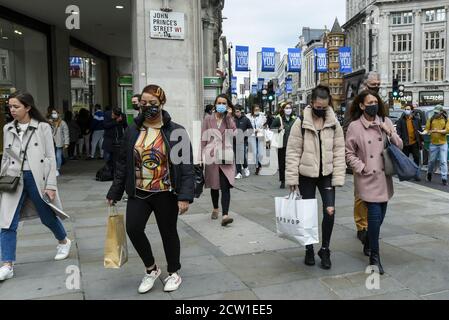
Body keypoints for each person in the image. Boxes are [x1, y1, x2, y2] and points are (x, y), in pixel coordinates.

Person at [106, 84, 194, 294]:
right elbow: (122, 164)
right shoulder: (132, 130)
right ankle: (151, 269)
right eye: (143, 103)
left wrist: (185, 196)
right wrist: (115, 192)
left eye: (153, 103)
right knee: (133, 229)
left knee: (168, 232)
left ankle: (173, 272)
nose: (148, 107)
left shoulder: (176, 131)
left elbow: (186, 167)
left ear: (162, 104)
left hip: (166, 192)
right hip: (139, 191)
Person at [0, 91, 71, 282]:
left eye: (16, 106)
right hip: (13, 179)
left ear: (28, 107)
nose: (12, 110)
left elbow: (49, 157)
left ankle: (63, 240)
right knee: (7, 221)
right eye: (10, 106)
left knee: (47, 216)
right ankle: (7, 264)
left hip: (36, 177)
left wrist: (50, 184)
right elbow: (6, 157)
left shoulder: (43, 127)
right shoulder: (8, 128)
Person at [286, 85, 346, 270]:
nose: (321, 110)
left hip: (326, 175)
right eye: (318, 107)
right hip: (306, 176)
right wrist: (292, 179)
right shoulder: (301, 122)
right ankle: (309, 248)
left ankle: (325, 249)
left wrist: (338, 177)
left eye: (324, 107)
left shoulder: (334, 123)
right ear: (312, 103)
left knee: (330, 211)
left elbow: (339, 151)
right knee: (308, 214)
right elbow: (293, 151)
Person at [345, 90, 403, 275]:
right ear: (362, 105)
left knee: (380, 217)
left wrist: (389, 131)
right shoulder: (354, 126)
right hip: (367, 177)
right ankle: (374, 258)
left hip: (384, 177)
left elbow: (400, 145)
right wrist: (362, 167)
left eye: (375, 102)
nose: (373, 105)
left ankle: (369, 241)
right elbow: (349, 153)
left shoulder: (384, 121)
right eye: (369, 102)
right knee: (375, 216)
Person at [201, 94, 236, 226]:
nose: (221, 105)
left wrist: (228, 117)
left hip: (226, 155)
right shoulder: (208, 119)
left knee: (225, 185)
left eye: (224, 103)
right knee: (214, 185)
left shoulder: (229, 118)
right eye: (219, 102)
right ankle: (216, 207)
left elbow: (234, 134)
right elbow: (203, 138)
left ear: (227, 106)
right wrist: (200, 156)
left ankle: (225, 215)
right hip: (211, 156)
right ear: (215, 104)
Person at [271, 102, 297, 189]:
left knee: (292, 163)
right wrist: (278, 129)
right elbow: (271, 128)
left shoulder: (294, 119)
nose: (288, 109)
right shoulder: (279, 119)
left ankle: (292, 180)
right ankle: (282, 180)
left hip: (293, 145)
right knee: (282, 163)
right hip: (282, 144)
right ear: (283, 109)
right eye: (286, 108)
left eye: (289, 108)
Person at [424, 105, 449, 186]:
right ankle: (429, 173)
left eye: (437, 112)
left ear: (441, 112)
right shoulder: (431, 119)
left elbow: (447, 131)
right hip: (433, 143)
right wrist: (424, 132)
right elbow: (427, 129)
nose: (435, 113)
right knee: (431, 161)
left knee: (443, 161)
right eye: (435, 112)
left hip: (443, 143)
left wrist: (437, 131)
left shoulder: (446, 119)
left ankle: (444, 178)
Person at [396, 105, 422, 179]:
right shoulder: (401, 120)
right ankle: (406, 174)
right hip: (405, 143)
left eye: (408, 109)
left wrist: (421, 141)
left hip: (414, 142)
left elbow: (419, 131)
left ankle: (416, 175)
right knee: (405, 159)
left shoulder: (416, 120)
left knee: (416, 158)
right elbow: (398, 131)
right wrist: (400, 141)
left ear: (411, 110)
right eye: (406, 109)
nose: (407, 110)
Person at [103, 107, 127, 176]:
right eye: (113, 114)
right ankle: (108, 172)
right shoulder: (107, 114)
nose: (113, 116)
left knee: (117, 157)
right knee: (107, 156)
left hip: (119, 138)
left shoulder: (123, 116)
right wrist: (116, 121)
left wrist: (127, 136)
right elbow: (105, 125)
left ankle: (116, 172)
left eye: (115, 116)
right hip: (108, 138)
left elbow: (125, 126)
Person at [233, 105, 253, 179]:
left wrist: (245, 135)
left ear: (241, 111)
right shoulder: (233, 120)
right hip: (234, 141)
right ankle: (239, 173)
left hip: (243, 141)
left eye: (237, 111)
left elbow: (251, 129)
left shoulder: (246, 119)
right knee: (237, 156)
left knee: (241, 156)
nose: (236, 113)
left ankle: (246, 167)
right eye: (235, 112)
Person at [48, 108, 69, 176]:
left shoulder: (62, 123)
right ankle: (52, 169)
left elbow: (66, 133)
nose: (53, 114)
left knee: (58, 156)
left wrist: (66, 142)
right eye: (52, 113)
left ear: (58, 114)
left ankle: (57, 169)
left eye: (55, 113)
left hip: (59, 141)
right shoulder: (50, 122)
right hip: (51, 141)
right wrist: (50, 124)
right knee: (51, 156)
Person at [247, 105, 266, 175]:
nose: (257, 111)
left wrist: (260, 129)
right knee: (255, 152)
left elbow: (265, 126)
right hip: (252, 136)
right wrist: (254, 130)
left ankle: (259, 163)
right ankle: (257, 166)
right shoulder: (248, 116)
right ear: (252, 110)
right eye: (255, 109)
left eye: (258, 109)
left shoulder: (263, 117)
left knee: (260, 153)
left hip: (260, 135)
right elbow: (248, 126)